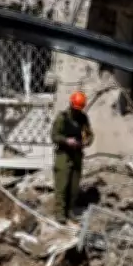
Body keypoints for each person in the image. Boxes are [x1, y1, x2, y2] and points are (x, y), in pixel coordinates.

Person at [50, 90, 94, 225]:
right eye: (75, 108)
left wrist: (85, 142)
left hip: (76, 155)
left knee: (74, 187)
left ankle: (70, 210)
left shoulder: (83, 118)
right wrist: (66, 140)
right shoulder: (62, 118)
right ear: (71, 105)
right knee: (62, 185)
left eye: (79, 109)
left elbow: (90, 134)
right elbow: (54, 136)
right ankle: (60, 214)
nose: (77, 111)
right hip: (63, 155)